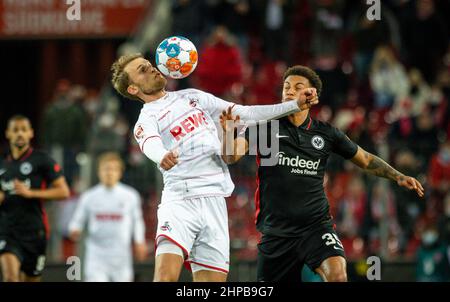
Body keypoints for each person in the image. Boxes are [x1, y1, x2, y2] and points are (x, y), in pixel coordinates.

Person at [110, 53, 318, 282]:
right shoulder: (146, 119)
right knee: (165, 278)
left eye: (148, 65)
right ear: (132, 89)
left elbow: (245, 113)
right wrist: (162, 156)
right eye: (142, 70)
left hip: (215, 201)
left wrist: (293, 105)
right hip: (181, 201)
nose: (151, 69)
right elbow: (150, 142)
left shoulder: (193, 97)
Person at [219, 65, 424, 282]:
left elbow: (364, 159)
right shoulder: (265, 128)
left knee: (337, 274)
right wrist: (227, 132)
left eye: (297, 87)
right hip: (276, 233)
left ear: (311, 94)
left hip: (315, 227)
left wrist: (397, 176)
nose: (288, 91)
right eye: (286, 87)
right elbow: (231, 157)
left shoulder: (325, 133)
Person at [0, 115, 70, 282]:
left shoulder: (42, 160)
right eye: (15, 130)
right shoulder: (2, 164)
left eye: (24, 130)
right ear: (8, 133)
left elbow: (63, 192)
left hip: (34, 232)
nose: (20, 134)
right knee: (10, 278)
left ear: (31, 133)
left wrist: (31, 193)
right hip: (6, 232)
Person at [68, 152, 147, 282]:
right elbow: (77, 220)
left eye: (113, 169)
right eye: (106, 169)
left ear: (120, 172)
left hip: (121, 257)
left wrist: (140, 241)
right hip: (96, 257)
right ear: (99, 171)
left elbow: (137, 221)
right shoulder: (89, 197)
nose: (109, 173)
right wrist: (75, 229)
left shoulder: (130, 196)